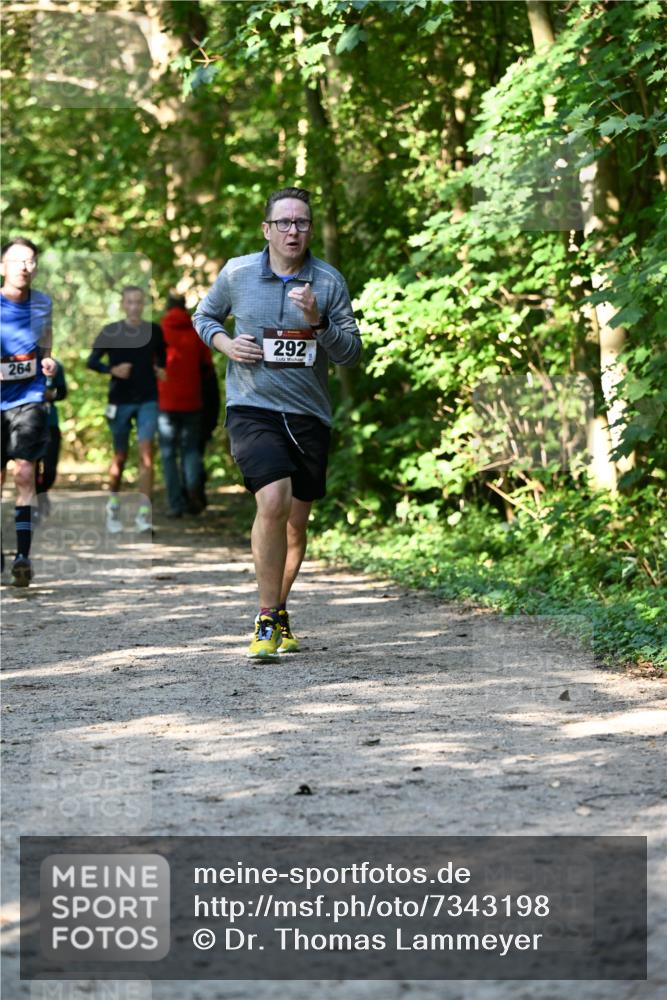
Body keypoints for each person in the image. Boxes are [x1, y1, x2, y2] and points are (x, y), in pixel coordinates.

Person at [193, 186, 361, 658]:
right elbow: (204, 316)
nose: (293, 231)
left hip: (308, 413)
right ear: (266, 229)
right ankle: (266, 618)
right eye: (284, 223)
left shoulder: (327, 282)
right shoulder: (238, 272)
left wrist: (318, 321)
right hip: (252, 406)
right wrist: (225, 345)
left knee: (295, 525)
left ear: (310, 230)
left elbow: (350, 354)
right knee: (273, 499)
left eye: (302, 223)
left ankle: (279, 609)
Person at [0, 237, 57, 586]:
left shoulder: (42, 304)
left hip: (30, 398)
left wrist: (47, 360)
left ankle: (23, 556)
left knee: (24, 474)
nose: (24, 266)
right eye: (18, 260)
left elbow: (46, 343)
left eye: (31, 261)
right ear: (2, 267)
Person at [87, 286, 166, 534]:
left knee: (146, 453)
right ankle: (113, 507)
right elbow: (92, 361)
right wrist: (112, 370)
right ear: (123, 304)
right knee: (119, 457)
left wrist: (161, 369)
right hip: (119, 401)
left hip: (148, 399)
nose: (134, 307)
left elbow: (162, 357)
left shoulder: (154, 330)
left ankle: (144, 515)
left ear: (144, 305)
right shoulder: (111, 331)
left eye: (139, 302)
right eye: (130, 302)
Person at [157, 293, 214, 517]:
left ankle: (176, 504)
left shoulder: (158, 332)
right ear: (184, 308)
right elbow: (207, 369)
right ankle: (192, 487)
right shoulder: (196, 333)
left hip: (165, 402)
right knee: (190, 451)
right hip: (193, 402)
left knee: (168, 454)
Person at [35, 357, 67, 518]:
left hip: (51, 423)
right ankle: (37, 501)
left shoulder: (56, 366)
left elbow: (62, 393)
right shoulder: (22, 361)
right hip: (29, 424)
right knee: (31, 467)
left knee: (50, 470)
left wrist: (51, 395)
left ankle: (42, 492)